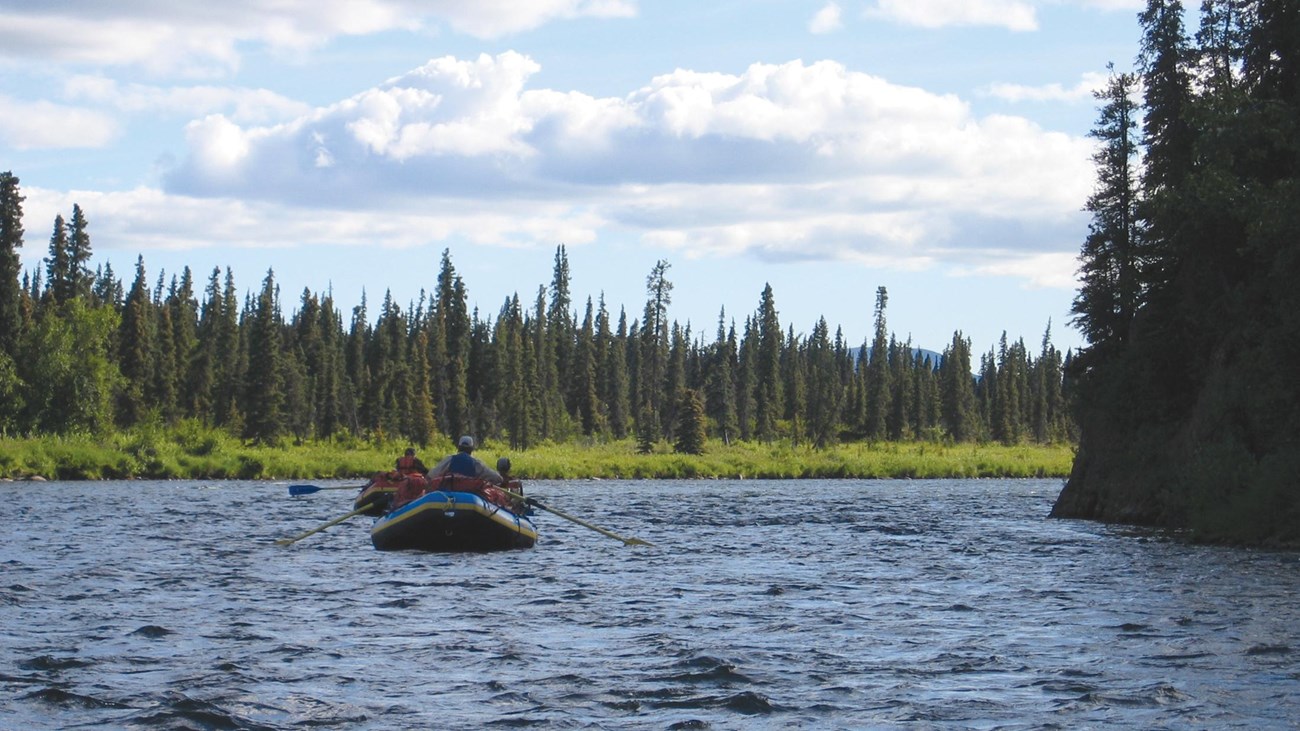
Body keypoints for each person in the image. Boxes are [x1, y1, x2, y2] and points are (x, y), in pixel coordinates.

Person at [428, 435, 503, 485]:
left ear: (459, 447)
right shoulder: (476, 463)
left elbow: (431, 475)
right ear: (471, 449)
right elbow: (497, 478)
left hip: (449, 494)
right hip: (470, 495)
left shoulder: (449, 459)